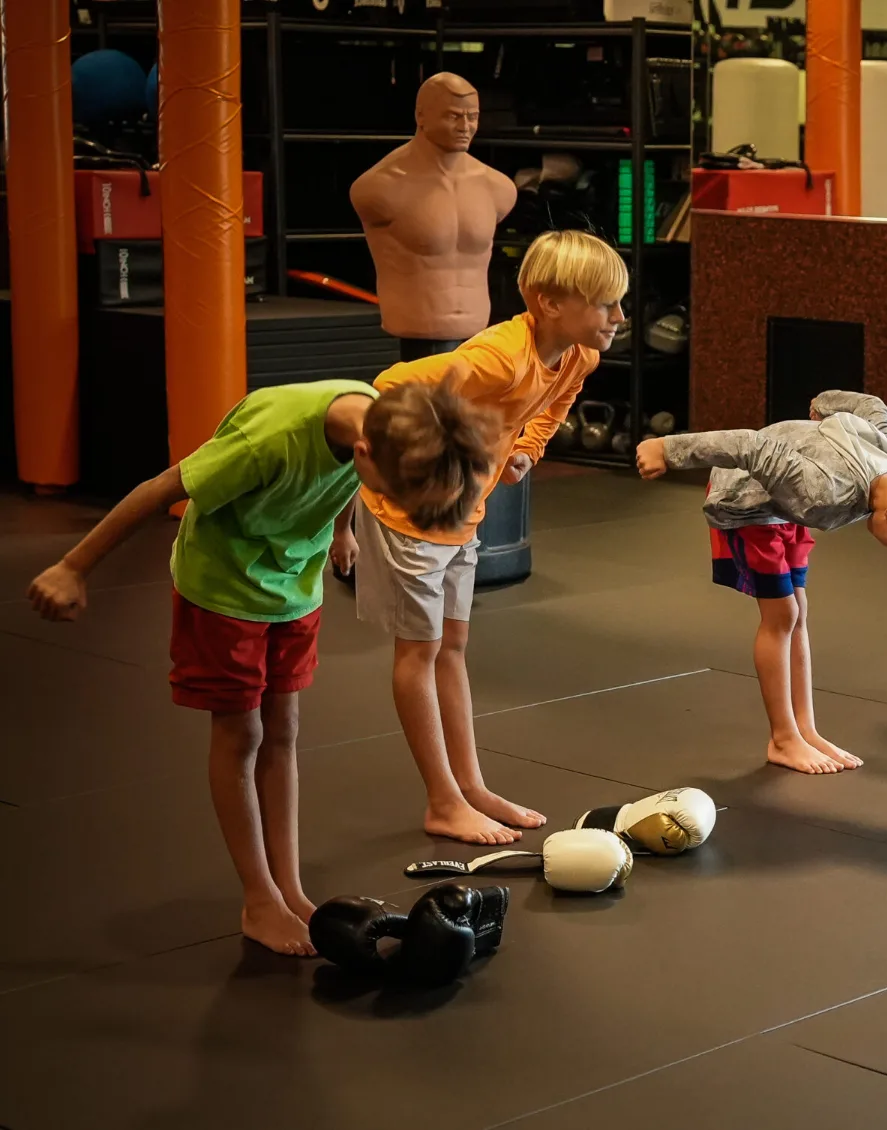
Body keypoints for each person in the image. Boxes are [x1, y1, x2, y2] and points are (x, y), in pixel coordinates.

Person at [25, 379, 495, 955]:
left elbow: (357, 480)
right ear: (367, 453)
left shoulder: (380, 422)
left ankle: (289, 889)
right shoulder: (268, 438)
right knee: (241, 732)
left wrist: (343, 529)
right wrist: (73, 567)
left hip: (293, 583)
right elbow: (157, 490)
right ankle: (257, 898)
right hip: (223, 588)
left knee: (285, 730)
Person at [341, 229, 625, 846]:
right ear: (550, 303)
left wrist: (526, 447)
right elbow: (386, 387)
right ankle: (441, 800)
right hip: (408, 518)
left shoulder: (579, 355)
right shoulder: (497, 357)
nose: (619, 318)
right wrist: (401, 471)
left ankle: (468, 786)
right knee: (418, 653)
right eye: (607, 305)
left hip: (462, 516)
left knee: (453, 649)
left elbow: (555, 403)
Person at [634, 393, 887, 773]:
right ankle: (782, 739)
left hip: (786, 505)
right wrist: (667, 448)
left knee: (799, 611)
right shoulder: (821, 490)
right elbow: (749, 445)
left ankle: (805, 728)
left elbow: (874, 407)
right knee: (782, 615)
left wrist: (825, 403)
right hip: (744, 500)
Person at [351, 72, 516, 358]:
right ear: (421, 117)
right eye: (453, 116)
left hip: (476, 338)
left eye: (472, 117)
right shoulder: (381, 187)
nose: (465, 127)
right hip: (413, 338)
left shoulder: (498, 188)